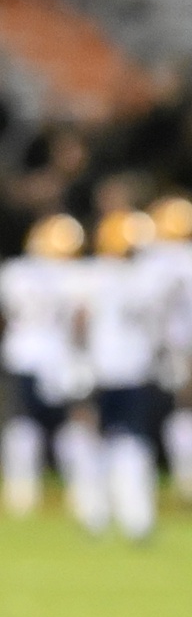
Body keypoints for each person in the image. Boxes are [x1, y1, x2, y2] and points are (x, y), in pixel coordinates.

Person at [76, 210, 165, 541]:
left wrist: (77, 359)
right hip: (134, 368)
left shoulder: (91, 275)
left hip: (103, 368)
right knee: (130, 442)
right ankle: (134, 516)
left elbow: (80, 321)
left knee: (96, 441)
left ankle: (97, 513)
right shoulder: (148, 278)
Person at [1, 213, 95, 519]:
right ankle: (80, 491)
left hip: (22, 355)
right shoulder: (79, 275)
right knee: (72, 426)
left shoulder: (15, 272)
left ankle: (21, 491)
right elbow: (82, 321)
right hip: (63, 358)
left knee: (22, 425)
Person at [141, 196, 192, 502]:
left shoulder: (150, 260)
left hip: (150, 347)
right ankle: (191, 477)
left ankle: (152, 475)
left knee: (149, 413)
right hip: (187, 344)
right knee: (187, 410)